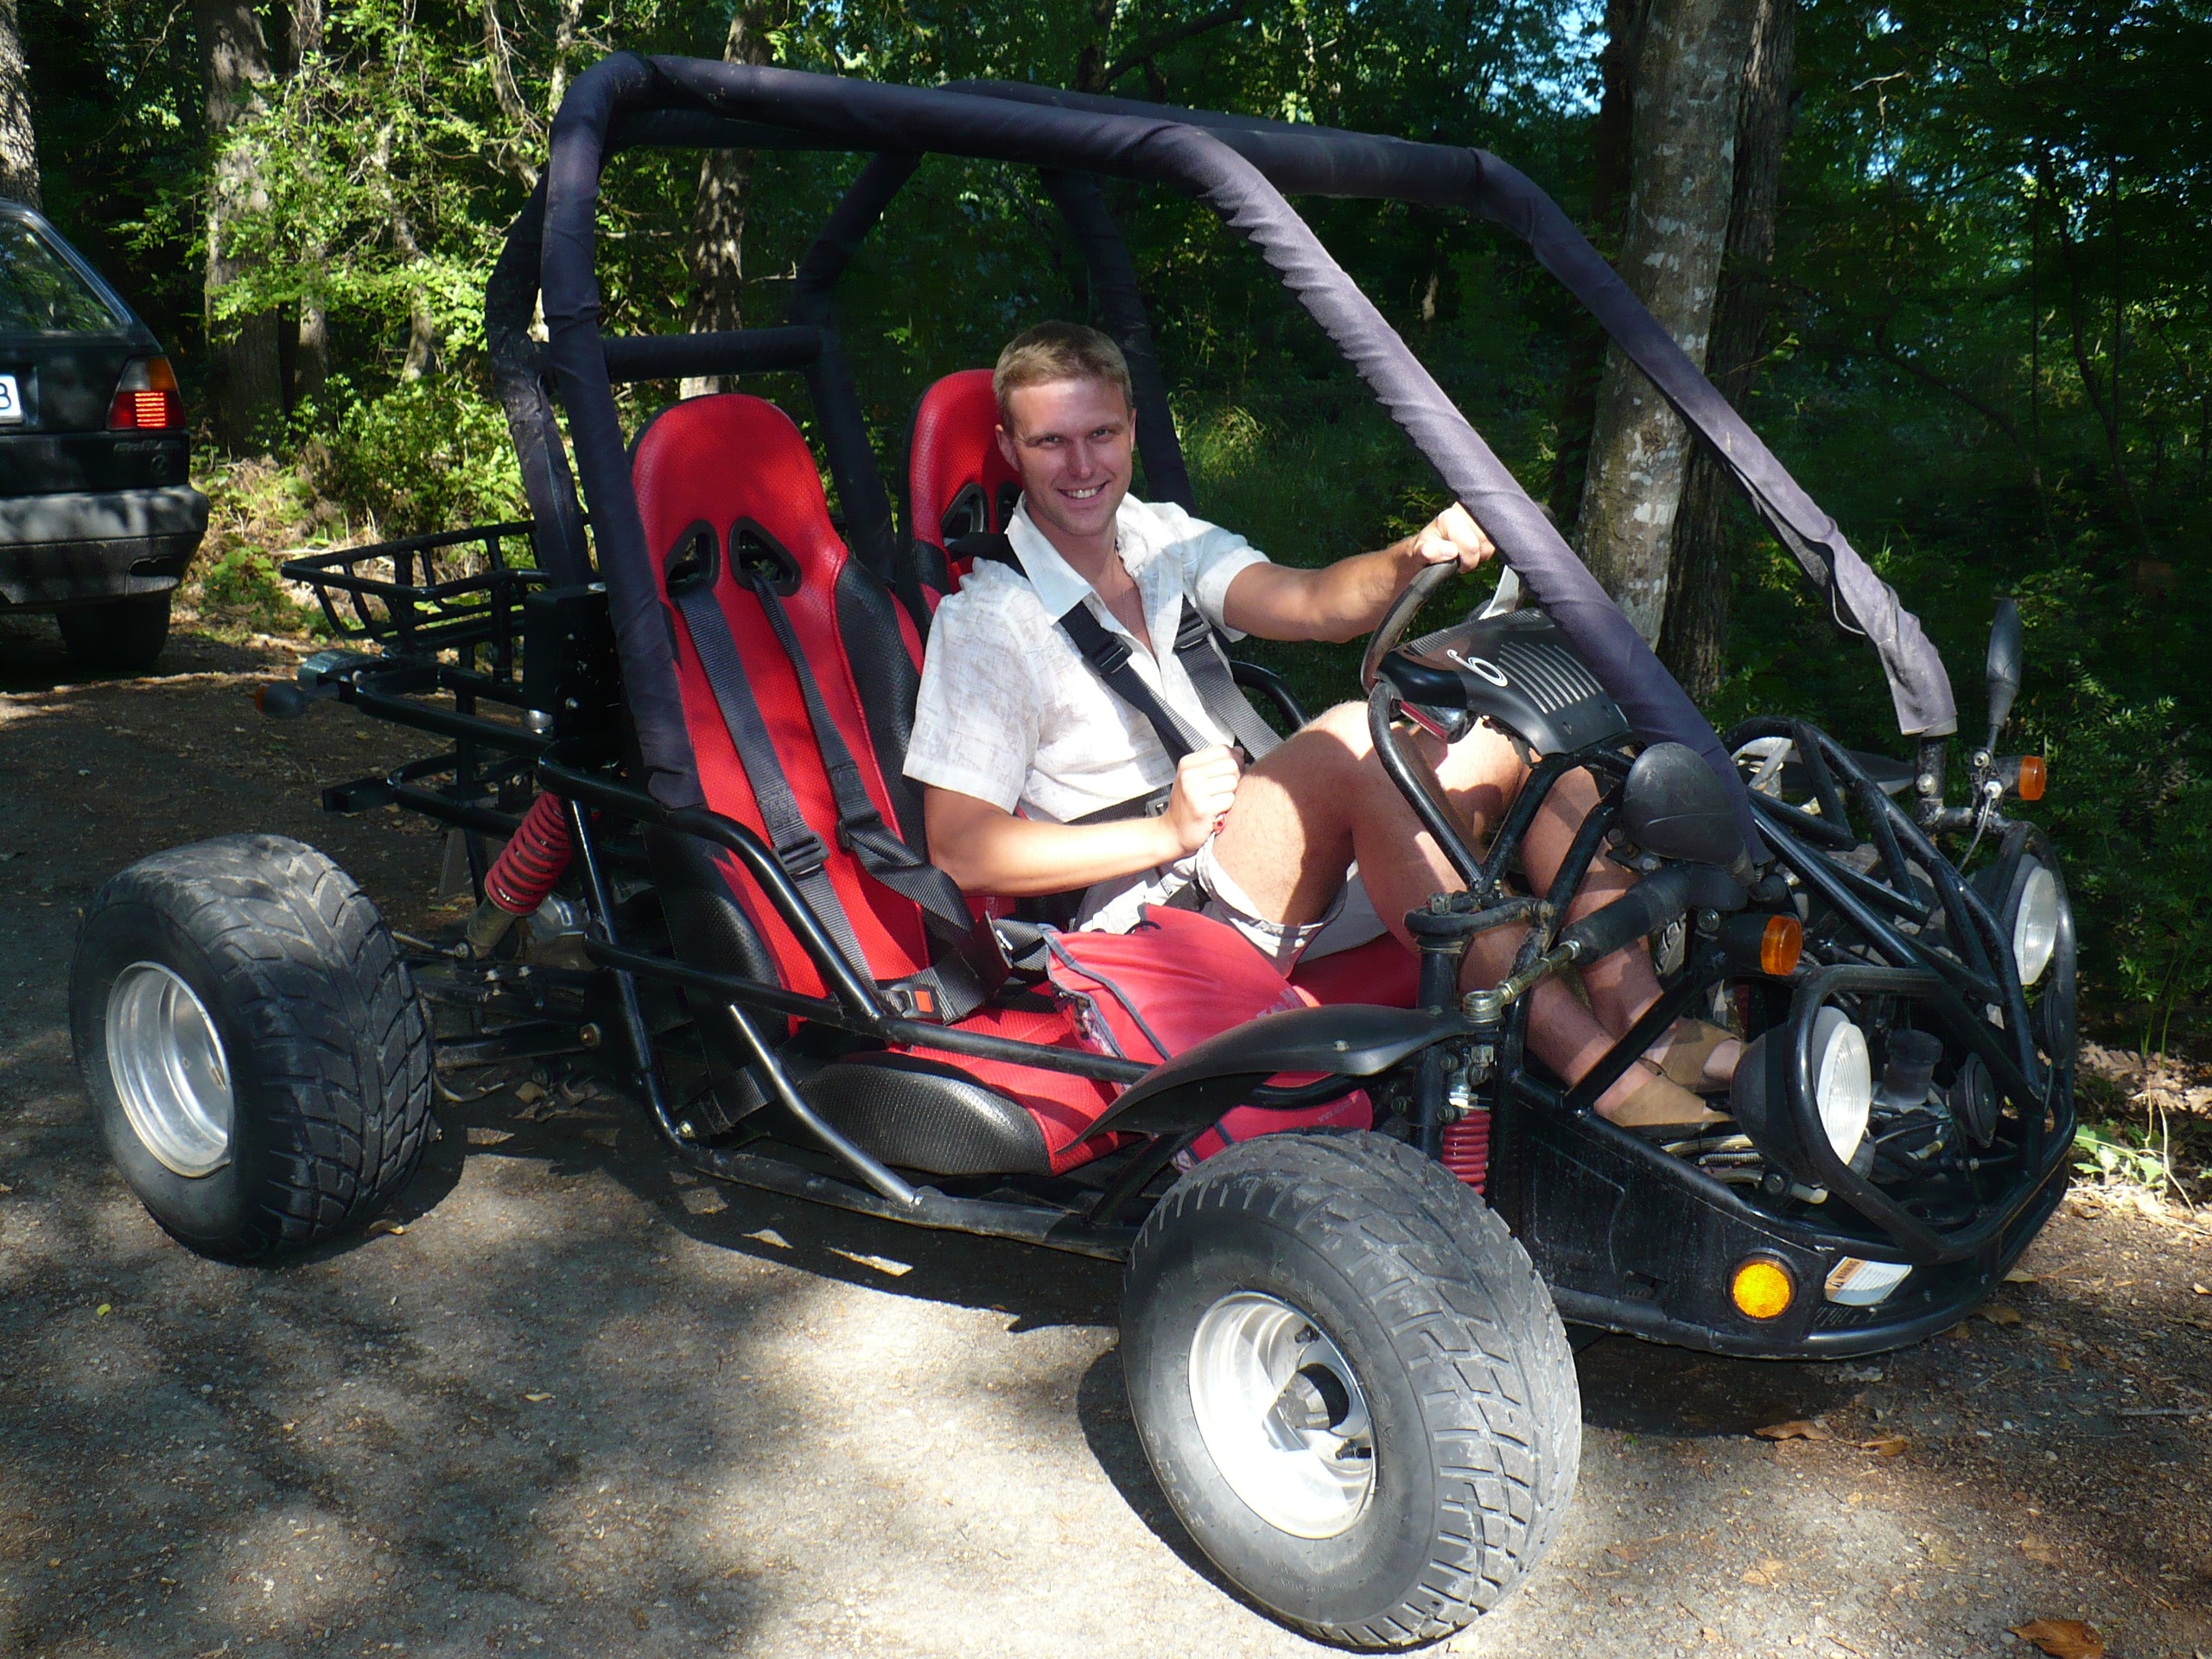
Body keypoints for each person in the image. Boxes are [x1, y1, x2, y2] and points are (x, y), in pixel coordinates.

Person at [903, 322, 1737, 1125]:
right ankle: (1606, 1082)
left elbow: (1312, 601)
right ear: (1010, 448)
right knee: (1350, 744)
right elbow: (962, 850)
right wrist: (1165, 832)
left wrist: (1412, 556)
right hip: (1145, 922)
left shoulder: (1156, 540)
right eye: (1051, 442)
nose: (1082, 465)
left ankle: (1650, 1025)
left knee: (1511, 732)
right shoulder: (990, 622)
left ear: (1130, 428)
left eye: (1101, 434)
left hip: (1243, 858)